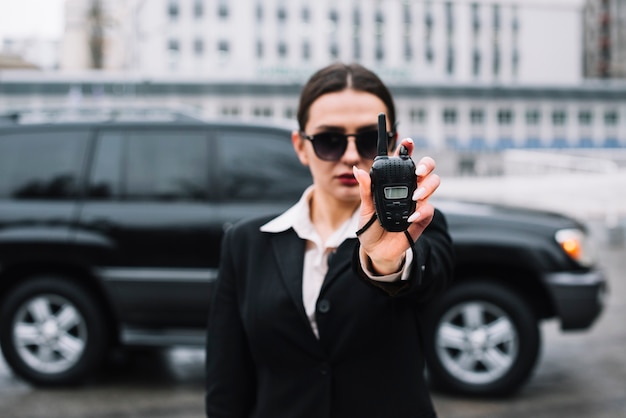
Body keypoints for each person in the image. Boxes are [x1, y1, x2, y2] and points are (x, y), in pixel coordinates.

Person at [205, 62, 455, 418]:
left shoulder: (419, 227)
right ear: (301, 146)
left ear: (393, 143)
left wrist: (387, 261)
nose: (351, 156)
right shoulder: (246, 243)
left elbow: (428, 276)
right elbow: (226, 382)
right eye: (329, 141)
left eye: (369, 139)